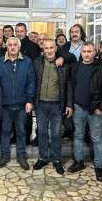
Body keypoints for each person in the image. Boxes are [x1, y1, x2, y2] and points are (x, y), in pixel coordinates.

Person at [67, 43, 102, 181]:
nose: (86, 54)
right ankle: (78, 162)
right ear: (81, 52)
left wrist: (101, 107)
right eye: (84, 51)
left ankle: (98, 166)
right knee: (78, 135)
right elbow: (71, 86)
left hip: (95, 109)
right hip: (78, 107)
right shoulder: (75, 67)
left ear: (95, 52)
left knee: (96, 138)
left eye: (89, 51)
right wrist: (70, 104)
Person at [0, 37, 36, 170]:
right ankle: (4, 156)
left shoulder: (27, 62)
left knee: (21, 131)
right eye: (10, 45)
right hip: (5, 105)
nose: (12, 47)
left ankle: (21, 156)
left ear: (19, 47)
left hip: (22, 105)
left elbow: (31, 82)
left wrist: (29, 100)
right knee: (5, 131)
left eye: (15, 45)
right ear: (6, 47)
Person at [33, 39, 73, 175]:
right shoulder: (37, 62)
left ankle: (57, 160)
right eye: (46, 48)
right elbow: (33, 82)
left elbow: (69, 85)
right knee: (42, 132)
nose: (49, 50)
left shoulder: (63, 63)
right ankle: (43, 158)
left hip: (57, 104)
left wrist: (69, 104)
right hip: (41, 104)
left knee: (56, 133)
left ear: (56, 49)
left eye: (51, 48)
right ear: (43, 49)